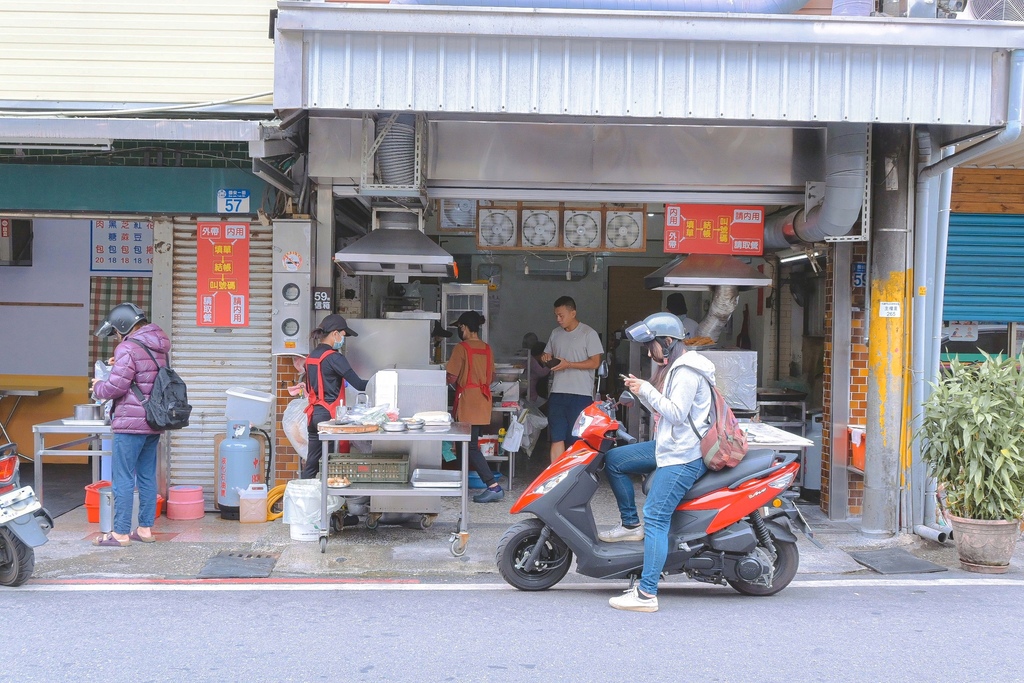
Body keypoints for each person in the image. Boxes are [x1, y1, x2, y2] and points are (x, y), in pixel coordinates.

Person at [605, 312, 716, 613]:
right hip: (671, 446)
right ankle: (630, 524)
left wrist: (646, 390)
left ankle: (646, 594)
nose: (648, 350)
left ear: (668, 342)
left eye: (651, 344)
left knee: (655, 516)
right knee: (615, 459)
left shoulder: (687, 371)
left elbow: (677, 413)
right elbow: (665, 410)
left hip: (684, 455)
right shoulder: (676, 367)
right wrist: (640, 391)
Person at [90, 303, 170, 547]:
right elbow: (146, 377)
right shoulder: (159, 346)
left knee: (123, 477)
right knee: (146, 476)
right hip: (153, 421)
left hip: (130, 423)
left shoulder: (128, 346)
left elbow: (116, 387)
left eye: (116, 331)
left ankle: (121, 533)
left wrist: (97, 386)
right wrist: (120, 362)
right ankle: (145, 529)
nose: (116, 335)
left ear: (124, 325)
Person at [445, 311, 504, 503]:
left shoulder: (461, 348)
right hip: (483, 399)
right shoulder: (487, 349)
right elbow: (492, 377)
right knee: (466, 445)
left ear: (463, 327)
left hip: (468, 400)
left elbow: (451, 377)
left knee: (469, 446)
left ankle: (493, 486)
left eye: (459, 327)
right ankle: (462, 482)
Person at [303, 314, 368, 480]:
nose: (343, 339)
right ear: (334, 334)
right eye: (343, 335)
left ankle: (304, 503)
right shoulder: (334, 357)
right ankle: (328, 502)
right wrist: (380, 380)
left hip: (313, 415)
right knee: (329, 464)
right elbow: (359, 385)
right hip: (329, 417)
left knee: (311, 463)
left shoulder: (311, 357)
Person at [540, 296, 604, 463]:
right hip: (557, 392)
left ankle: (574, 476)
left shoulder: (588, 334)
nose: (558, 319)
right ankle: (556, 477)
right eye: (556, 315)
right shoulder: (555, 334)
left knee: (577, 439)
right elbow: (546, 356)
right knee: (557, 437)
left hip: (581, 394)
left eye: (561, 315)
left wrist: (569, 364)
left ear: (573, 313)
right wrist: (545, 358)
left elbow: (595, 362)